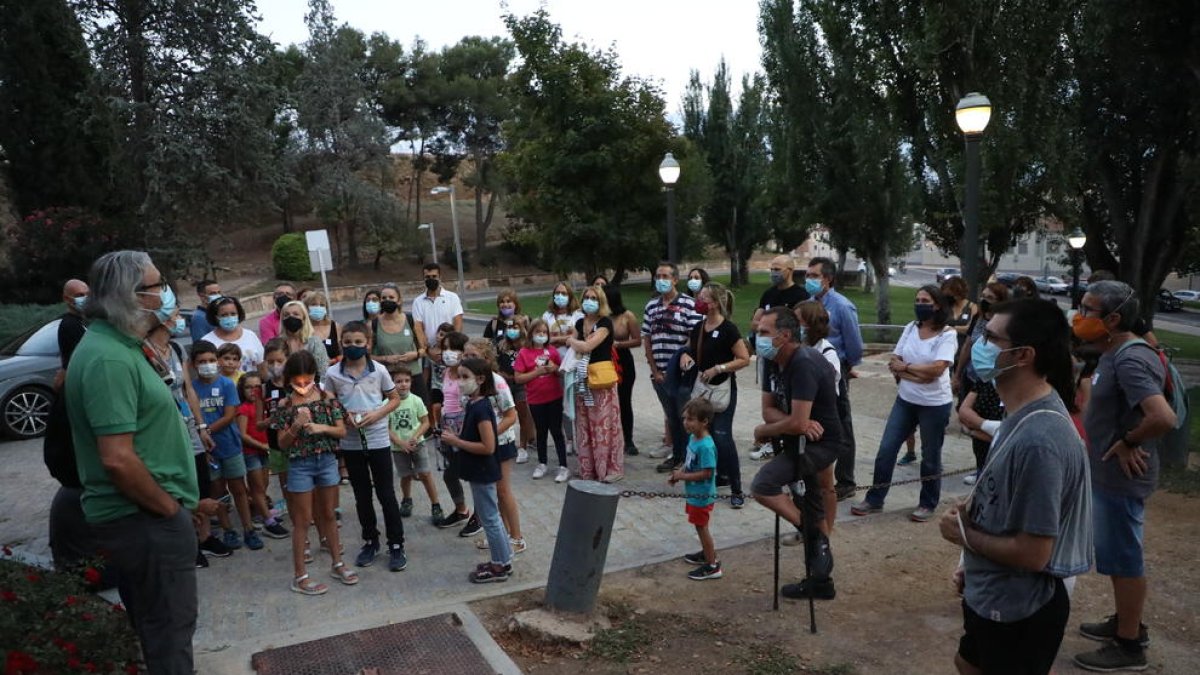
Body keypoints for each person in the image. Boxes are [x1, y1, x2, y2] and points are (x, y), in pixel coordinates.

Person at [65, 250, 221, 673]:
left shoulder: (121, 347)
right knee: (169, 634)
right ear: (130, 296)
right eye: (157, 284)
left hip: (151, 516)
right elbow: (117, 460)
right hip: (144, 520)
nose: (167, 291)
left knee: (163, 629)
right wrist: (170, 510)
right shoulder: (108, 358)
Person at [939, 297, 1093, 675]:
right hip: (995, 590)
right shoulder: (1018, 417)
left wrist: (965, 538)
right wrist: (972, 563)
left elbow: (1033, 553)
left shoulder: (1041, 439)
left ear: (1023, 355)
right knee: (968, 662)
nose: (977, 343)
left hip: (1021, 606)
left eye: (990, 337)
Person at [1072, 281, 1178, 672]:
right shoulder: (1115, 352)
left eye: (1087, 309)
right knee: (1117, 556)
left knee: (1125, 556)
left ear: (1113, 319)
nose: (1079, 316)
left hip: (1121, 477)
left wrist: (1127, 441)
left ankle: (1129, 645)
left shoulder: (1130, 358)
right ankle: (1126, 621)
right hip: (1110, 474)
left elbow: (1162, 417)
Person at [750, 308, 841, 600]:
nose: (758, 337)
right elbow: (770, 412)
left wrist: (767, 430)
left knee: (763, 484)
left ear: (784, 335)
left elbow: (796, 423)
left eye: (764, 332)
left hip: (820, 444)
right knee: (813, 505)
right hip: (795, 442)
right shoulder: (771, 360)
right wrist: (784, 424)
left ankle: (812, 535)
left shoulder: (803, 362)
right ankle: (820, 580)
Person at [851, 285, 957, 522]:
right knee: (886, 449)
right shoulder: (910, 328)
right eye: (917, 299)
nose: (919, 304)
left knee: (930, 457)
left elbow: (937, 369)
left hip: (934, 404)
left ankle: (928, 503)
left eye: (925, 300)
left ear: (937, 304)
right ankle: (875, 498)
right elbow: (894, 361)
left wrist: (907, 369)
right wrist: (915, 373)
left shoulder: (947, 334)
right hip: (906, 399)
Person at [322, 321, 407, 572]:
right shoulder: (333, 373)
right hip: (351, 442)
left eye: (358, 342)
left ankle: (396, 544)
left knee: (386, 493)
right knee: (362, 495)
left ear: (368, 343)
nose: (353, 347)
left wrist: (377, 414)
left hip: (378, 438)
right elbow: (329, 401)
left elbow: (393, 399)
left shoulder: (378, 370)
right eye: (347, 342)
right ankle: (370, 541)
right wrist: (342, 413)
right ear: (341, 344)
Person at [270, 350, 357, 595]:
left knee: (329, 513)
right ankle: (300, 576)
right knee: (302, 520)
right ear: (288, 380)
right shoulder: (285, 405)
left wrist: (321, 427)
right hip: (300, 465)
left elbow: (341, 431)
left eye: (306, 381)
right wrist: (296, 425)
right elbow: (282, 443)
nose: (302, 386)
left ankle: (338, 563)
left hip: (327, 460)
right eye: (297, 382)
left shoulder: (326, 397)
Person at [44, 278, 102, 576]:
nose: (84, 298)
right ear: (66, 299)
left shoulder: (83, 323)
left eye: (87, 294)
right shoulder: (70, 326)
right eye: (78, 295)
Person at [441, 357, 513, 584]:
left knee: (490, 518)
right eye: (458, 377)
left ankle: (499, 566)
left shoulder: (481, 408)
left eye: (465, 377)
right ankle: (503, 559)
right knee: (491, 516)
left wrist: (457, 441)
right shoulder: (473, 403)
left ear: (480, 379)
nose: (460, 382)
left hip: (483, 471)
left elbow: (488, 446)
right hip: (477, 470)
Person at [678, 283, 750, 507]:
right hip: (703, 390)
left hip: (722, 389)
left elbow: (744, 358)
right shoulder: (699, 327)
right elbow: (689, 349)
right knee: (706, 433)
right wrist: (685, 357)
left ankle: (737, 488)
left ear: (715, 304)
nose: (699, 301)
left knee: (722, 437)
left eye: (703, 298)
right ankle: (719, 475)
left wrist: (719, 368)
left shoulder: (728, 329)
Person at [191, 340, 263, 551]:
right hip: (208, 452)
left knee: (239, 489)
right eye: (202, 361)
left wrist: (207, 432)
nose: (208, 364)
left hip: (230, 445)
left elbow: (230, 415)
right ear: (194, 365)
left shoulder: (226, 384)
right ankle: (228, 529)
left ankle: (248, 528)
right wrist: (203, 439)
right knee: (218, 491)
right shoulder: (192, 388)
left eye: (211, 360)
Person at [805, 257, 862, 500]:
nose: (809, 280)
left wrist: (847, 366)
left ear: (827, 279)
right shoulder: (809, 303)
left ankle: (846, 480)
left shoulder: (842, 306)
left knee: (842, 424)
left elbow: (854, 343)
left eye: (813, 276)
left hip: (836, 370)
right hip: (810, 368)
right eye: (807, 275)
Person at [466, 338, 526, 554]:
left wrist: (489, 434)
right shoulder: (472, 383)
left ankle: (516, 537)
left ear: (486, 358)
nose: (467, 359)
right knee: (492, 492)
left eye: (473, 356)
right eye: (466, 355)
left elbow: (511, 415)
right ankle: (500, 535)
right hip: (484, 444)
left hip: (502, 444)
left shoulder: (497, 382)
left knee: (502, 490)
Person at [952, 282, 1010, 485]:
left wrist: (983, 427)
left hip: (995, 380)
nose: (984, 300)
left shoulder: (1005, 322)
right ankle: (980, 469)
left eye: (990, 298)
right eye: (983, 295)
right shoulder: (979, 317)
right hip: (977, 379)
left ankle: (993, 471)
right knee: (971, 418)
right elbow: (969, 344)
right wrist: (957, 374)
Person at [643, 262, 702, 463]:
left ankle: (690, 457)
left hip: (681, 374)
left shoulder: (688, 304)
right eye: (658, 276)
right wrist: (655, 369)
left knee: (685, 416)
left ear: (675, 279)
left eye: (665, 276)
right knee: (671, 417)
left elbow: (694, 335)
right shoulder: (651, 306)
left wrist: (677, 366)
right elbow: (647, 338)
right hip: (658, 374)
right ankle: (677, 455)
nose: (661, 280)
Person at [569, 285, 624, 483]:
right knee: (584, 425)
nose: (589, 301)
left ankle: (609, 468)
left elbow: (586, 345)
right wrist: (574, 341)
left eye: (593, 298)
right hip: (582, 379)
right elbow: (577, 343)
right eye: (586, 297)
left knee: (603, 425)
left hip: (601, 380)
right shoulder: (580, 322)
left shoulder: (605, 323)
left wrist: (571, 341)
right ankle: (588, 468)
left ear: (600, 302)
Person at [431, 331, 482, 536]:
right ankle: (461, 510)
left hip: (465, 429)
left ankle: (480, 515)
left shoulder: (468, 375)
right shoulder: (445, 373)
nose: (447, 353)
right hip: (448, 429)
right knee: (450, 474)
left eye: (453, 348)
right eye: (444, 348)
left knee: (474, 476)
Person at [670, 398, 722, 581]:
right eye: (685, 418)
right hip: (694, 493)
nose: (686, 423)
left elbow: (707, 473)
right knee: (700, 526)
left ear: (704, 421)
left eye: (691, 419)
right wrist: (679, 472)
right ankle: (706, 553)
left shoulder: (706, 446)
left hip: (702, 495)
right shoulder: (693, 438)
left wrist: (682, 476)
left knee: (702, 527)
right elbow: (690, 461)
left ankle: (712, 565)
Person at [483, 289, 534, 461]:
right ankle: (504, 442)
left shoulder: (526, 321)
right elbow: (487, 349)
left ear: (515, 303)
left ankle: (523, 446)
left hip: (521, 378)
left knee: (523, 412)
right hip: (502, 379)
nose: (505, 304)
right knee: (502, 412)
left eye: (509, 301)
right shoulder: (494, 324)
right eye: (502, 301)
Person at [235, 372, 288, 539]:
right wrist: (263, 446)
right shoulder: (243, 409)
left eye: (257, 387)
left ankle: (260, 512)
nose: (253, 390)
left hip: (264, 451)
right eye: (248, 387)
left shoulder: (262, 406)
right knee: (257, 487)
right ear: (242, 390)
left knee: (263, 485)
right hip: (251, 452)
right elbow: (243, 435)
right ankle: (268, 521)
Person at [515, 319, 568, 482]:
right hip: (535, 399)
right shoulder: (524, 353)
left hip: (554, 397)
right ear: (531, 334)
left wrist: (555, 369)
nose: (542, 335)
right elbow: (518, 378)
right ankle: (542, 462)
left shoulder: (552, 351)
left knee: (557, 431)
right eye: (538, 332)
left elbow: (561, 372)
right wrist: (536, 373)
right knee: (541, 431)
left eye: (545, 332)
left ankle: (563, 466)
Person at [387, 368, 443, 524]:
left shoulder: (416, 400)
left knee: (425, 473)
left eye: (406, 381)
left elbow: (426, 422)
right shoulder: (387, 404)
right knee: (405, 475)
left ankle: (435, 504)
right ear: (391, 384)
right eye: (398, 381)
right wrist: (400, 442)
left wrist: (416, 437)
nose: (403, 384)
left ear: (411, 382)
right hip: (398, 448)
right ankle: (406, 499)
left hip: (418, 444)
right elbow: (386, 427)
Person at [371, 283, 426, 402]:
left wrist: (415, 354)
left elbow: (424, 349)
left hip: (413, 377)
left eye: (391, 298)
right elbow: (367, 356)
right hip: (389, 380)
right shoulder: (374, 324)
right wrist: (385, 358)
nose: (387, 300)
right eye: (384, 298)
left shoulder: (411, 320)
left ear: (399, 301)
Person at [604, 286, 642, 456]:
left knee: (624, 401)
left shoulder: (628, 316)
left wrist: (619, 344)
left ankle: (629, 439)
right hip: (603, 361)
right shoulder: (599, 317)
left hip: (623, 361)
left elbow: (637, 341)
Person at [412, 263, 465, 370]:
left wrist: (451, 348)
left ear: (440, 277)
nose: (431, 279)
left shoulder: (452, 298)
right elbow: (418, 328)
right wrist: (427, 350)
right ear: (423, 278)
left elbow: (458, 324)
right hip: (429, 354)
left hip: (450, 352)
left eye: (434, 276)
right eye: (427, 277)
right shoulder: (418, 302)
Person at [201, 296, 264, 374]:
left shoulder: (251, 336)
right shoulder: (207, 341)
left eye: (233, 314)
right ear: (215, 317)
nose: (229, 317)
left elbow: (261, 365)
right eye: (224, 315)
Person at [278, 300, 329, 377]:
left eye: (296, 314)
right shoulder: (279, 343)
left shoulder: (314, 342)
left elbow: (323, 372)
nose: (291, 317)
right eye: (286, 315)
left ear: (304, 318)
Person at [304, 291, 340, 364]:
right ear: (306, 308)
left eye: (322, 305)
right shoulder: (303, 328)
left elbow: (342, 351)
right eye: (314, 305)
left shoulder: (335, 326)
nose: (318, 308)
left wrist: (334, 360)